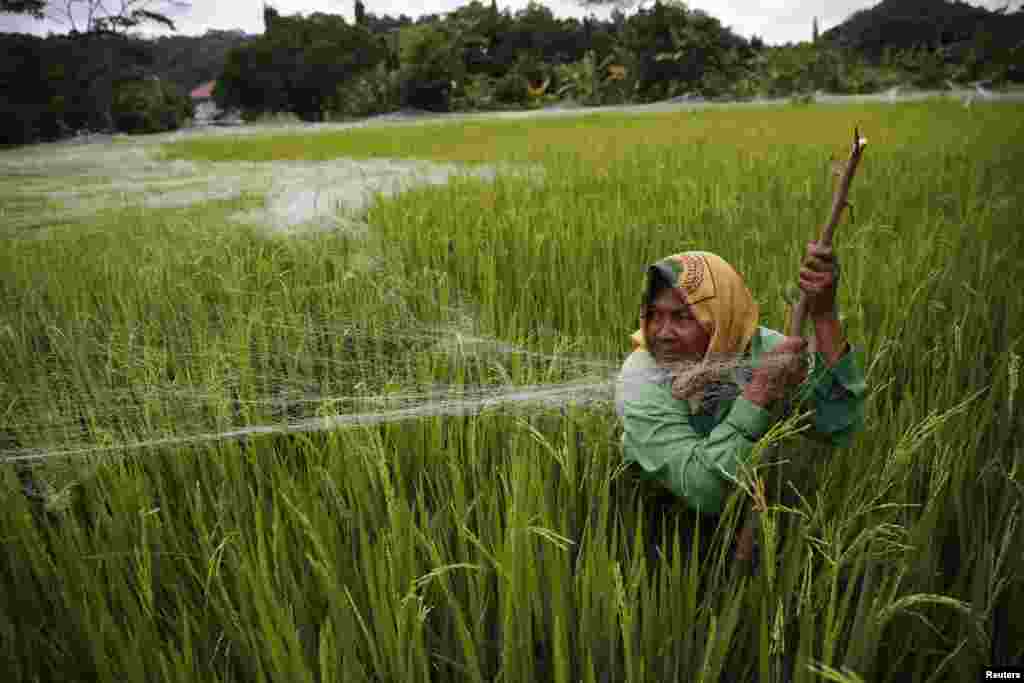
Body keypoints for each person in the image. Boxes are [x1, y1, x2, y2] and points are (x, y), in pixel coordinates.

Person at [614, 244, 866, 570]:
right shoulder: (642, 378)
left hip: (759, 524)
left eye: (681, 317)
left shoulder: (763, 350)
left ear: (720, 315)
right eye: (654, 316)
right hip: (665, 530)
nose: (662, 333)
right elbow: (703, 488)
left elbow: (839, 424)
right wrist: (759, 392)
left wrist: (824, 316)